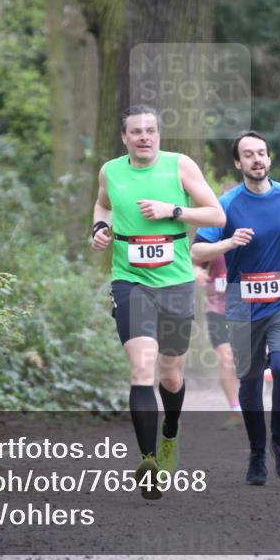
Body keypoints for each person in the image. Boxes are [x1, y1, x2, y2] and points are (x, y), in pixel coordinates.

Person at [91, 104, 225, 500]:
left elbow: (217, 216)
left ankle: (170, 432)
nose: (144, 136)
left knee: (171, 374)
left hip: (176, 282)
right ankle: (148, 460)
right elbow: (103, 205)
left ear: (159, 135)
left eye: (150, 130)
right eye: (137, 131)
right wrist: (100, 227)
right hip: (129, 281)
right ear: (125, 137)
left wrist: (174, 211)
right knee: (141, 368)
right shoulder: (110, 171)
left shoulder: (179, 166)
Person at [191, 131, 280, 485]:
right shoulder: (226, 204)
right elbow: (197, 252)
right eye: (248, 154)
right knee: (251, 380)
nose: (256, 159)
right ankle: (257, 452)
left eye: (261, 153)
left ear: (269, 159)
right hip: (242, 302)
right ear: (238, 163)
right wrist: (228, 242)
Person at [192, 183, 242, 427]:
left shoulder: (254, 231)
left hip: (251, 309)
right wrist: (194, 271)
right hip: (217, 309)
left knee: (249, 362)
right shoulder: (210, 232)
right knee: (226, 358)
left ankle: (253, 403)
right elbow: (194, 259)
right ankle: (236, 410)